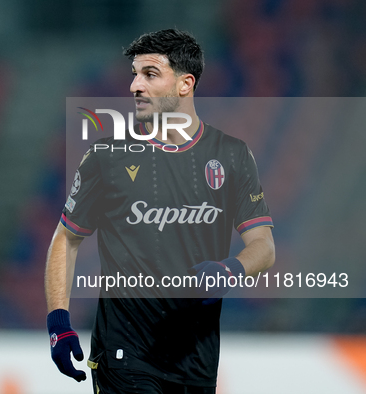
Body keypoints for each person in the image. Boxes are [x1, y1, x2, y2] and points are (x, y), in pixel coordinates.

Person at [45, 28, 275, 394]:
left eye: (150, 74)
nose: (135, 85)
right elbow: (66, 238)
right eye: (134, 74)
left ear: (185, 84)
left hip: (196, 361)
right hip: (125, 355)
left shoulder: (231, 155)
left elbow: (264, 244)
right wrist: (59, 321)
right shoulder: (107, 157)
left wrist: (231, 269)